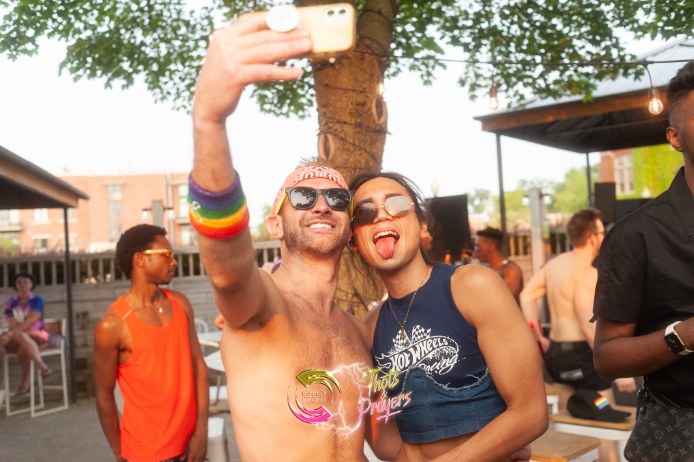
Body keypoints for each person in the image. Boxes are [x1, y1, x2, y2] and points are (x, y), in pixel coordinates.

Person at [189, 12, 384, 461]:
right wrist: (209, 121)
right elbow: (227, 271)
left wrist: (480, 443)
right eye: (302, 196)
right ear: (276, 225)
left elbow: (385, 441)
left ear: (349, 227)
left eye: (337, 198)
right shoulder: (262, 305)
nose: (321, 205)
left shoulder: (357, 331)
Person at [350, 171, 548, 461]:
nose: (381, 216)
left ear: (422, 226)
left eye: (396, 205)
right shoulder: (370, 328)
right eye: (365, 213)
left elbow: (531, 413)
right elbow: (384, 437)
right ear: (354, 242)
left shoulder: (472, 287)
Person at [593, 60, 694, 461]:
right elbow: (607, 357)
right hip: (680, 435)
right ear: (675, 137)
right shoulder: (637, 235)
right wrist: (686, 335)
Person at [520, 208, 634, 461]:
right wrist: (618, 368)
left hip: (557, 357)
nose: (604, 237)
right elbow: (587, 323)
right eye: (602, 233)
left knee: (569, 421)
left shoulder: (554, 265)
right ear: (592, 237)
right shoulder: (586, 271)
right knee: (604, 424)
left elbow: (526, 295)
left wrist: (537, 335)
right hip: (584, 358)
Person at [93, 225, 208, 462]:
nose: (173, 262)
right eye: (166, 255)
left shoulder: (180, 304)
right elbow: (103, 395)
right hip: (145, 453)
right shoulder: (112, 325)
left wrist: (201, 431)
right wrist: (119, 453)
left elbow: (198, 365)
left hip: (191, 447)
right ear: (140, 260)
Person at [1, 273, 52, 396]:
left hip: (35, 336)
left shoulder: (37, 300)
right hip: (15, 338)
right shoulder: (9, 302)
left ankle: (25, 381)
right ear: (15, 285)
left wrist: (11, 334)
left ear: (31, 284)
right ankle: (42, 367)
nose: (22, 285)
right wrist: (14, 333)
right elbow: (12, 323)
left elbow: (31, 320)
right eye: (19, 282)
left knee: (22, 348)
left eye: (26, 281)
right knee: (20, 336)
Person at [474, 226, 524, 304]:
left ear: (491, 246)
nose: (476, 250)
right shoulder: (487, 270)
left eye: (479, 246)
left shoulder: (511, 270)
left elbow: (505, 298)